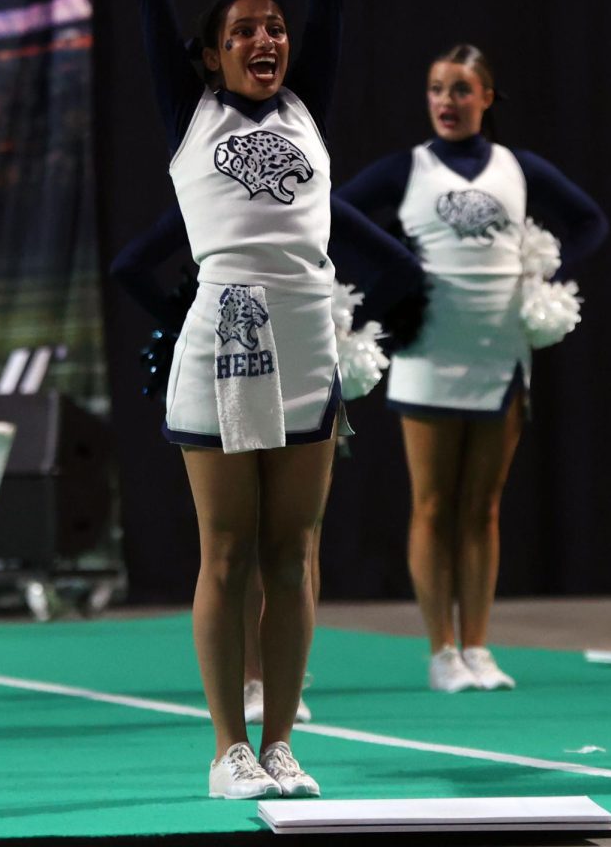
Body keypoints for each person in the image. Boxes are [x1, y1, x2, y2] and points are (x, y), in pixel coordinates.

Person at [103, 0, 363, 800]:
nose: (266, 38)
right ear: (209, 56)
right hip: (223, 333)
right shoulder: (193, 111)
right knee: (227, 546)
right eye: (244, 30)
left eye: (274, 27)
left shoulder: (305, 107)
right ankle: (226, 749)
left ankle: (284, 740)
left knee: (294, 549)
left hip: (304, 330)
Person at [337, 43, 608, 693]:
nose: (446, 102)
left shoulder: (519, 169)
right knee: (432, 506)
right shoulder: (409, 169)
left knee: (483, 508)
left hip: (498, 351)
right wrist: (391, 274)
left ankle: (479, 646)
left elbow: (591, 222)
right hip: (428, 351)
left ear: (487, 98)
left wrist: (549, 275)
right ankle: (441, 652)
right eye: (436, 88)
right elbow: (334, 210)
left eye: (460, 90)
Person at [109, 194, 424, 727]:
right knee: (257, 543)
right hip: (245, 366)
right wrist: (191, 322)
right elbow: (129, 265)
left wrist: (346, 328)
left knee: (293, 546)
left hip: (305, 367)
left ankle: (277, 679)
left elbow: (400, 266)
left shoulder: (312, 195)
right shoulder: (209, 193)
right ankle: (259, 678)